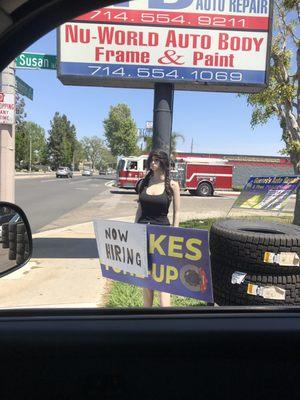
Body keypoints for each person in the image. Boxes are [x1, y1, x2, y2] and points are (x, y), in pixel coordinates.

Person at [134, 149, 180, 307]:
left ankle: (165, 317)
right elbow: (139, 209)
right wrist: (133, 231)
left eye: (157, 160)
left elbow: (177, 213)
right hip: (142, 233)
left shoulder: (173, 185)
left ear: (163, 162)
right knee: (145, 277)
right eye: (151, 160)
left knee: (162, 278)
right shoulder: (143, 183)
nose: (153, 163)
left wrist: (175, 233)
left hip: (163, 235)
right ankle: (146, 314)